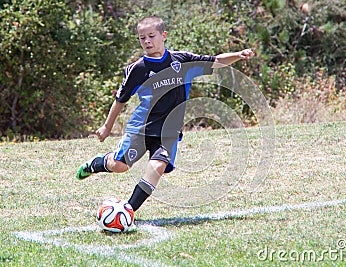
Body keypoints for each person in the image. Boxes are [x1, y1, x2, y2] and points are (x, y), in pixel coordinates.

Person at [75, 16, 254, 212]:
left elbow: (216, 61)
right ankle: (97, 163)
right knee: (120, 166)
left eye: (151, 36)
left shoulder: (181, 60)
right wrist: (107, 126)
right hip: (142, 129)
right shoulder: (138, 69)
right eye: (142, 38)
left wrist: (238, 54)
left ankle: (128, 211)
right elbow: (121, 99)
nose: (147, 41)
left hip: (169, 132)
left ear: (164, 36)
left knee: (157, 168)